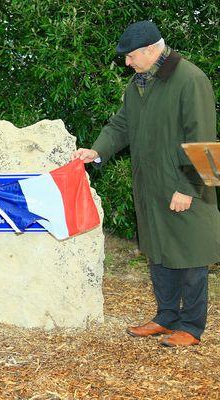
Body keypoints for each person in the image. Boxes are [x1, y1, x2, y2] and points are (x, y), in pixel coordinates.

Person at [72, 21, 220, 347]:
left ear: (152, 50)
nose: (127, 63)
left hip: (184, 187)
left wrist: (189, 187)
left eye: (130, 56)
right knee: (159, 251)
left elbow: (205, 141)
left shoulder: (190, 79)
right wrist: (97, 149)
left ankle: (191, 327)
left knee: (191, 256)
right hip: (150, 185)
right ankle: (166, 317)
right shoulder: (138, 83)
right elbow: (122, 124)